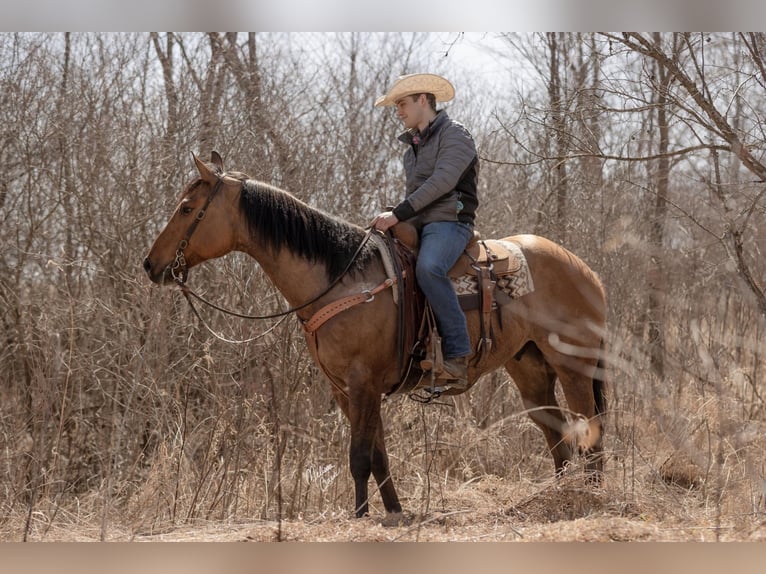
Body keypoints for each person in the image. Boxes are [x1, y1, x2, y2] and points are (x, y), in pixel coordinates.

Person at [371, 73, 479, 390]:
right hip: (421, 224)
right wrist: (394, 218)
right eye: (396, 106)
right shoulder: (410, 152)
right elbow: (414, 196)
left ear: (423, 100)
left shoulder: (456, 136)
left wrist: (398, 213)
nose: (399, 112)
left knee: (429, 268)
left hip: (451, 222)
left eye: (402, 104)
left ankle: (458, 355)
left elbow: (442, 182)